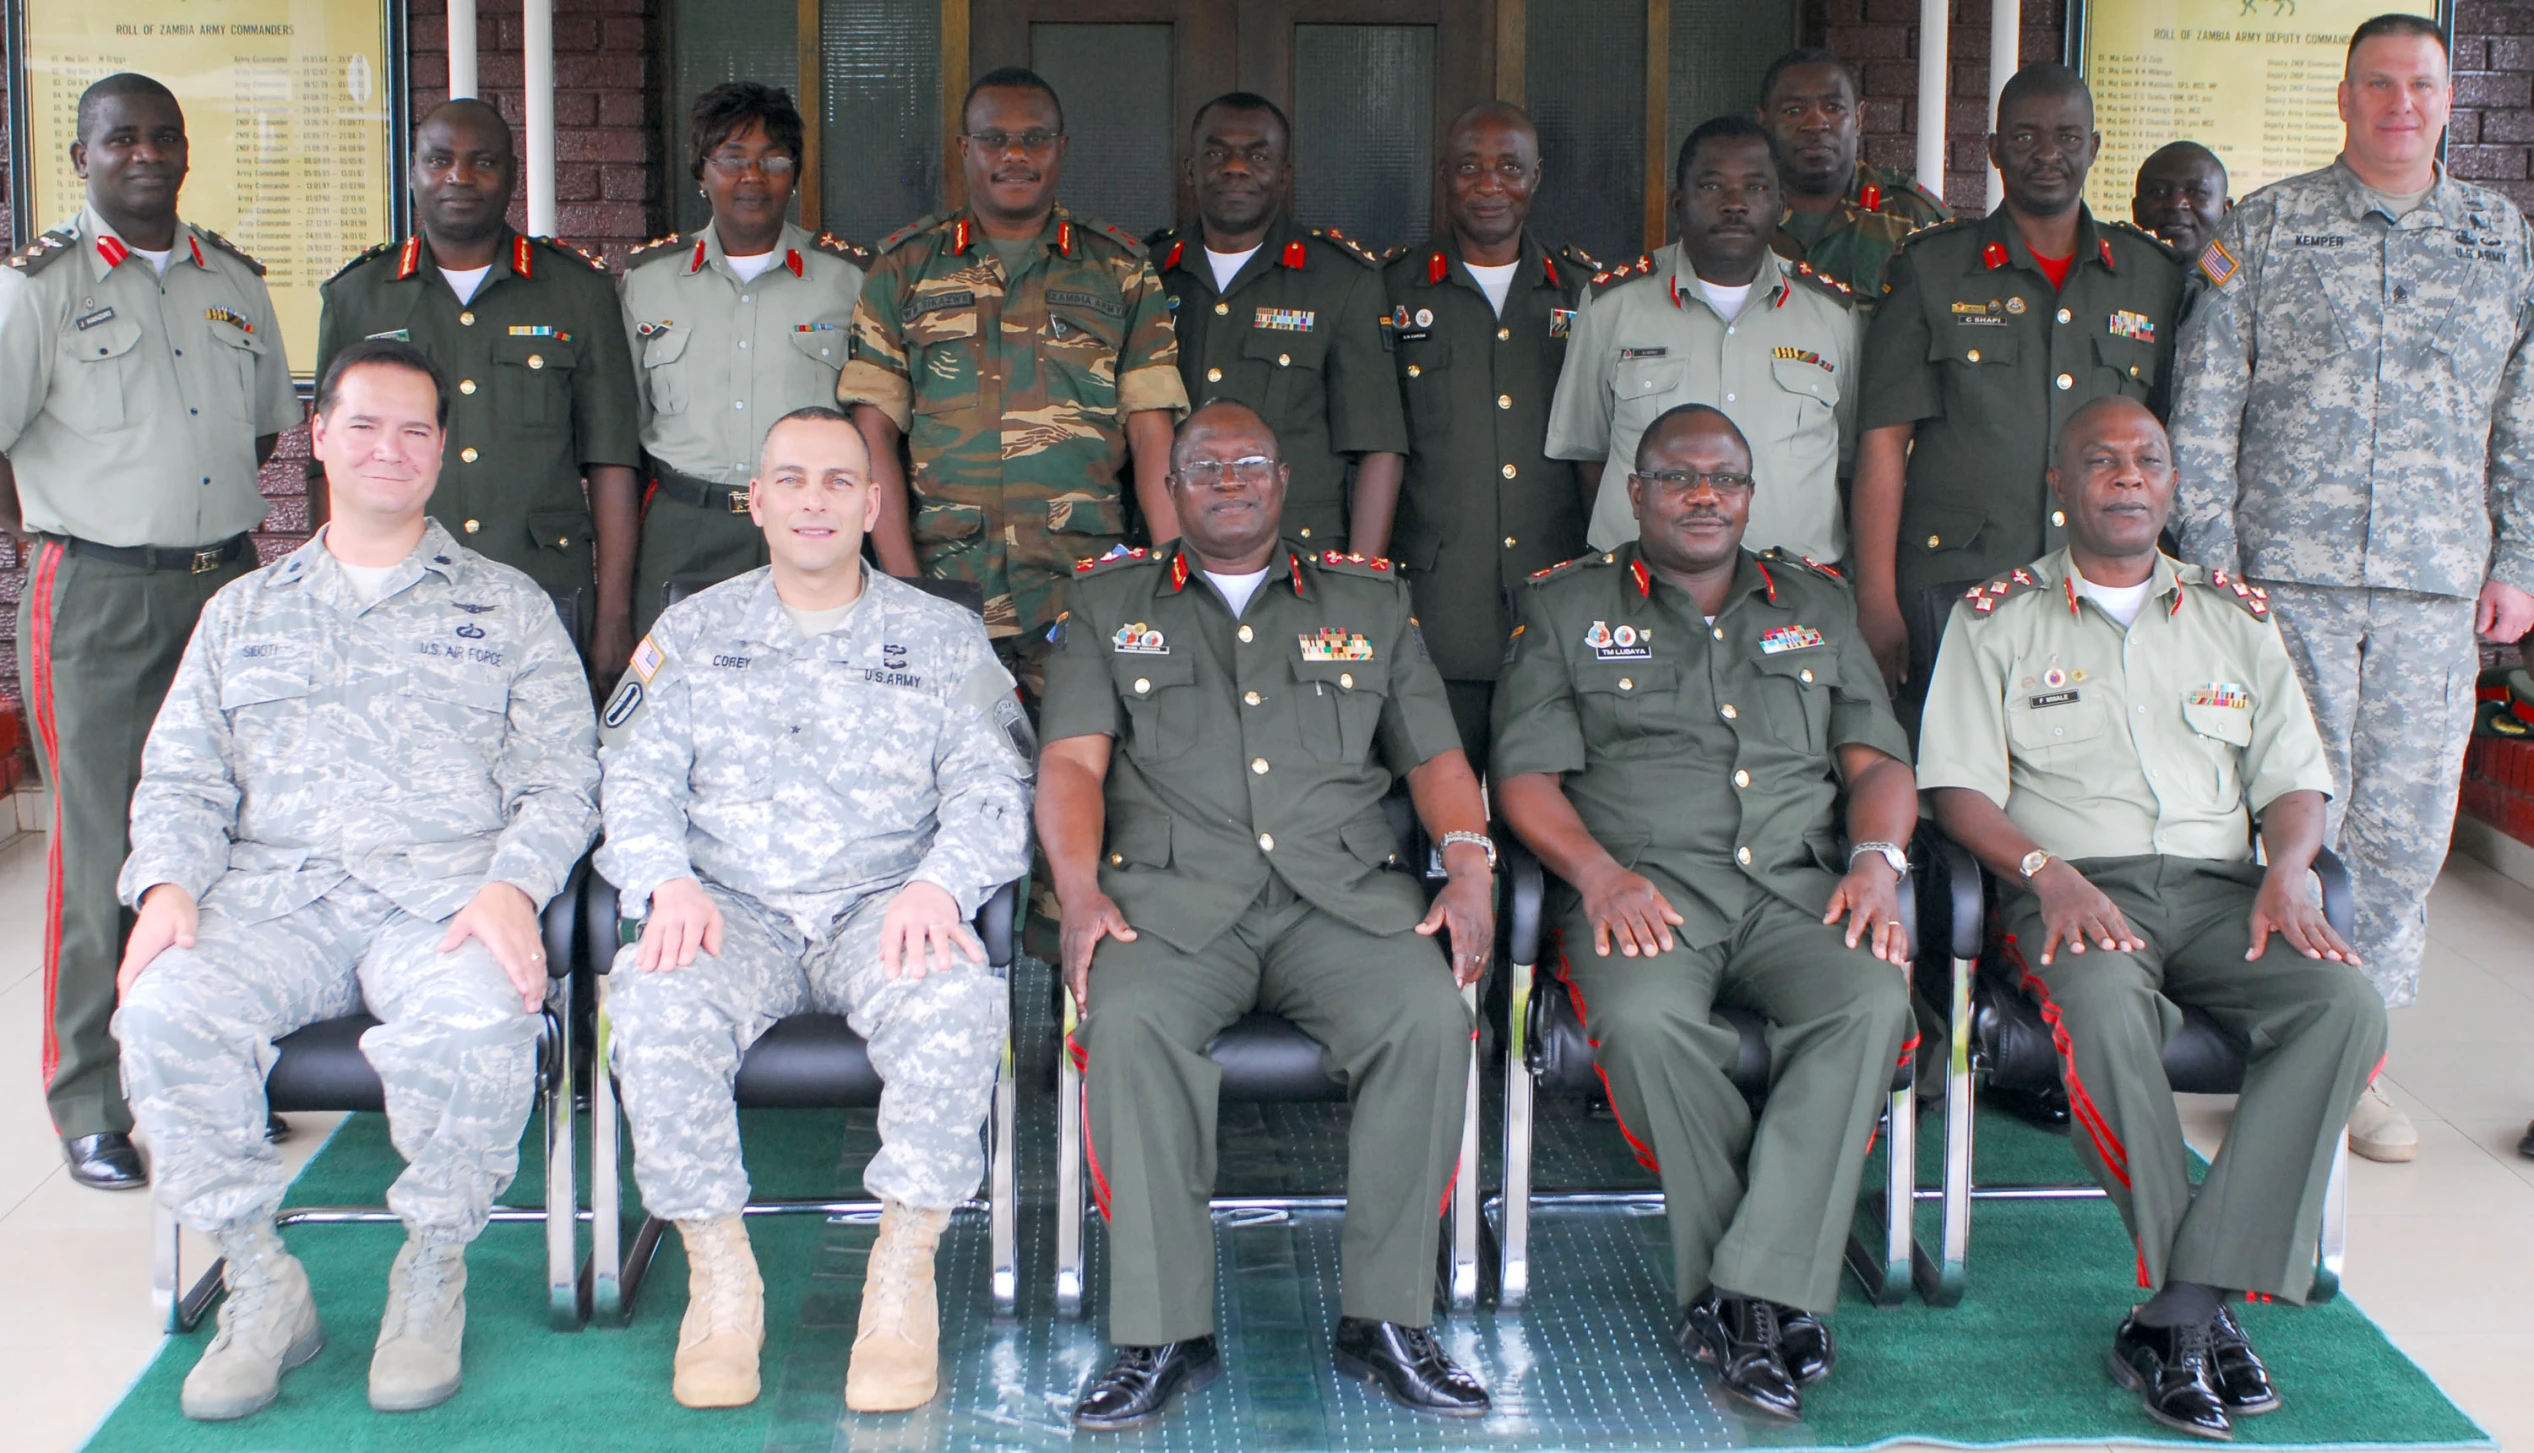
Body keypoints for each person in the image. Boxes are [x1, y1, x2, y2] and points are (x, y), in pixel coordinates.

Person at [112, 340, 601, 1420]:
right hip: (272, 901)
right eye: (366, 424)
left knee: (479, 1029)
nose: (392, 448)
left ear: (442, 449)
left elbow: (566, 778)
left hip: (444, 901)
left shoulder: (508, 607)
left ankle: (430, 1271)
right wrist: (170, 886)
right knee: (162, 1011)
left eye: (416, 428)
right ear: (318, 437)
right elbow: (182, 775)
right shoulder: (242, 611)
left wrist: (516, 885)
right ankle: (259, 1280)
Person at [1921, 395, 2385, 1441]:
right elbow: (1953, 790)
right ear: (2058, 484)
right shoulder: (1993, 617)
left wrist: (2292, 867)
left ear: (2172, 484)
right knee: (2103, 1010)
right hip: (2072, 892)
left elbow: (2293, 778)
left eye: (2146, 460)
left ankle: (2177, 1308)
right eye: (2100, 461)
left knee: (2343, 1006)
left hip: (2227, 890)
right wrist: (2044, 871)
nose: (2126, 476)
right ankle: (2195, 1316)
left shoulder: (2236, 616)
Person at [1037, 400, 1495, 1429]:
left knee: (1427, 1016)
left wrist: (1467, 868)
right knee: (1132, 1021)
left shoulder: (1369, 603)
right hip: (1168, 902)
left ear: (1283, 483)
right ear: (1169, 488)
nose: (1229, 481)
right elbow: (1070, 761)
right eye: (1204, 467)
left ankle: (1387, 1319)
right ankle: (1160, 1332)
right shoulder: (1110, 603)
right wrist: (1078, 892)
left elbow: (1433, 757)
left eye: (1250, 463)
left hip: (1338, 899)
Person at [596, 406, 1031, 1413]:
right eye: (789, 479)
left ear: (874, 503)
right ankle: (721, 1276)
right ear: (755, 501)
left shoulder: (940, 635)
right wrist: (663, 878)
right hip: (726, 907)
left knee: (958, 999)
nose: (813, 500)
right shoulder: (691, 634)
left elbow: (994, 787)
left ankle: (900, 1275)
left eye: (839, 481)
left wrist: (941, 882)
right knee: (654, 1006)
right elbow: (628, 778)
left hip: (884, 908)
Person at [1494, 403, 1915, 1419]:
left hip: (1795, 888)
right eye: (1676, 477)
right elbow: (1523, 777)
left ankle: (1742, 1294)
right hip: (1644, 893)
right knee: (1643, 1025)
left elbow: (1876, 760)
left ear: (1748, 494)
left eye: (1722, 479)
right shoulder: (1563, 609)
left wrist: (1875, 863)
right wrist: (1595, 875)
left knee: (1868, 1000)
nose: (1700, 496)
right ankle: (1771, 1293)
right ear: (1631, 493)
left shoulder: (1815, 603)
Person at [2168, 12, 2534, 1164]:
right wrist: (2218, 560)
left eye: (2418, 85)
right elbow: (2204, 403)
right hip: (2287, 581)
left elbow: (2523, 415)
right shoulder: (2264, 230)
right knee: (2283, 817)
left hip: (2434, 586)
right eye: (2375, 84)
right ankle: (2281, 1049)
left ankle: (2353, 1066)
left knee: (2405, 830)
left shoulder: (2497, 237)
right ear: (2340, 99)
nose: (2398, 105)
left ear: (2445, 100)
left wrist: (2517, 561)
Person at [0, 73, 296, 1191]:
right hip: (102, 596)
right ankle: (95, 1097)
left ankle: (222, 1069)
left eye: (162, 136)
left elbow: (268, 422)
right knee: (102, 846)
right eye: (119, 138)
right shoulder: (37, 289)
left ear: (186, 150)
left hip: (224, 588)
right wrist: (74, 530)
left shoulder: (232, 281)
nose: (145, 155)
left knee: (236, 837)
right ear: (81, 156)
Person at [840, 66, 1188, 700]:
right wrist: (905, 588)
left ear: (1062, 149)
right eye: (995, 139)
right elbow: (872, 441)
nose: (1016, 155)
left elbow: (1153, 436)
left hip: (1084, 587)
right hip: (946, 584)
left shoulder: (1120, 270)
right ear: (964, 149)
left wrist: (1176, 579)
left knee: (1080, 777)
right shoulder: (903, 268)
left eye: (1036, 138)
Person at [1853, 62, 2186, 718]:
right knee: (1951, 775)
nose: (2048, 155)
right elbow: (1884, 442)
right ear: (1994, 150)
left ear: (2094, 147)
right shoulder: (1932, 269)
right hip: (1960, 580)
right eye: (2027, 138)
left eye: (2067, 137)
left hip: (2109, 583)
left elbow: (2174, 438)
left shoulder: (2151, 277)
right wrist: (1876, 597)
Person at [315, 99, 642, 672]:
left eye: (482, 161)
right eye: (439, 160)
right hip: (394, 585)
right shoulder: (356, 296)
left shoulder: (577, 293)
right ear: (412, 171)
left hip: (541, 584)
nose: (459, 177)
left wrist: (614, 617)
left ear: (512, 175)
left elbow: (612, 460)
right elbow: (329, 465)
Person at [1354, 100, 1597, 770]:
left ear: (1537, 175)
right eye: (1470, 167)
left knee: (1554, 790)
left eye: (1510, 168)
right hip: (1436, 601)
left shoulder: (1586, 294)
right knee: (1433, 793)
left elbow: (1599, 454)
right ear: (1443, 177)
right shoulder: (1386, 288)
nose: (1490, 184)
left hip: (1557, 593)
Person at [1547, 115, 1860, 569]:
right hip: (1642, 590)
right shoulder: (1611, 306)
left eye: (1755, 188)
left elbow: (1849, 464)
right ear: (1678, 203)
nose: (1735, 204)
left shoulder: (1833, 315)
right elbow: (1589, 455)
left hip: (1796, 596)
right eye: (1712, 187)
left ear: (1781, 205)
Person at [620, 83, 871, 639]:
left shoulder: (848, 280)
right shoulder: (648, 282)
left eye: (773, 160)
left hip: (810, 523)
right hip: (686, 523)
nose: (752, 176)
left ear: (795, 174)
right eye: (732, 158)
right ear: (701, 173)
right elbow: (627, 423)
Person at [1147, 93, 1404, 547]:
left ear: (1284, 176)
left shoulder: (1340, 282)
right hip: (1172, 557)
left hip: (1298, 560)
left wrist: (1363, 581)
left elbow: (1378, 445)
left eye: (1258, 155)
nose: (1235, 167)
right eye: (1216, 153)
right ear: (1190, 170)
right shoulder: (1146, 272)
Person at [1758, 47, 1951, 308]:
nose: (1816, 123)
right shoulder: (1738, 214)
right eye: (1793, 110)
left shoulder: (1913, 217)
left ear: (1859, 118)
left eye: (1833, 107)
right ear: (1763, 121)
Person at [2132, 141, 2230, 258]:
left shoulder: (2249, 273)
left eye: (2196, 192)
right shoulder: (2111, 272)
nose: (2176, 204)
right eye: (2158, 192)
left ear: (2226, 212)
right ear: (2136, 210)